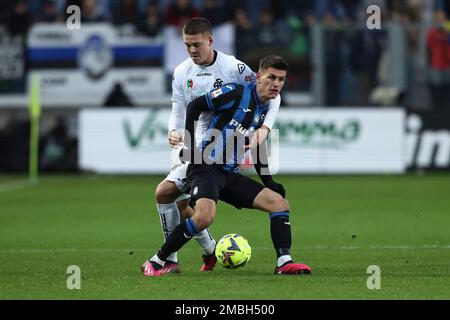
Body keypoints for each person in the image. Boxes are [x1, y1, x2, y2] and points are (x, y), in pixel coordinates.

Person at [142, 55, 312, 276]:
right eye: (272, 77)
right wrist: (191, 146)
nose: (276, 83)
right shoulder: (236, 93)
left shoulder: (264, 109)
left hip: (229, 174)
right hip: (205, 167)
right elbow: (194, 105)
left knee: (279, 203)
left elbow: (256, 144)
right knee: (203, 216)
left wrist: (269, 181)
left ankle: (284, 261)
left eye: (281, 79)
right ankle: (158, 260)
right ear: (258, 77)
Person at [150, 17, 282, 273]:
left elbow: (271, 94)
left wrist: (265, 128)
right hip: (189, 143)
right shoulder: (181, 71)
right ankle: (209, 251)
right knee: (182, 205)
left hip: (214, 147)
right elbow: (178, 108)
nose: (192, 50)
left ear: (210, 40)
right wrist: (173, 132)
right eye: (187, 45)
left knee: (166, 194)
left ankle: (170, 260)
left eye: (197, 44)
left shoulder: (234, 68)